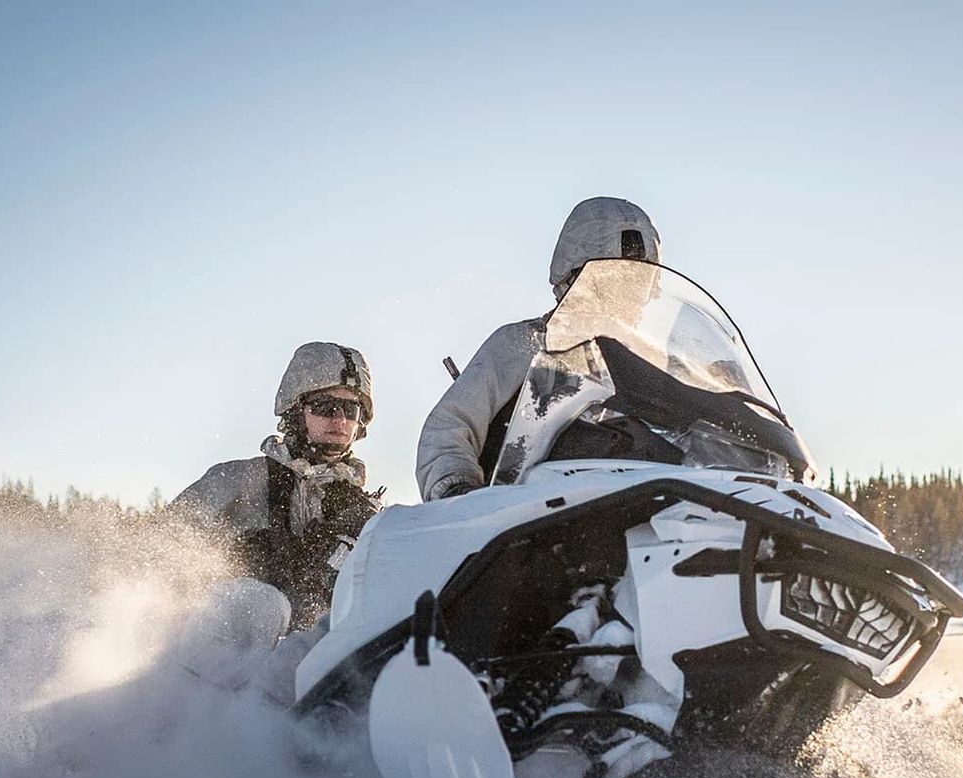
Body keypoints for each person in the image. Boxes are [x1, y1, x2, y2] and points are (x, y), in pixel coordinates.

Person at [415, 196, 661, 501]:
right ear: (574, 277)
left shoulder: (656, 366)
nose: (632, 295)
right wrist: (457, 491)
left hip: (648, 518)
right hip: (528, 525)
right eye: (618, 281)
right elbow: (447, 430)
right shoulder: (523, 346)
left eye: (641, 282)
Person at [173, 342, 383, 632]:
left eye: (351, 409)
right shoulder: (238, 480)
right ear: (296, 411)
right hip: (221, 659)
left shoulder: (367, 514)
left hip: (318, 663)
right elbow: (162, 549)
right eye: (325, 407)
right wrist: (232, 572)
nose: (340, 419)